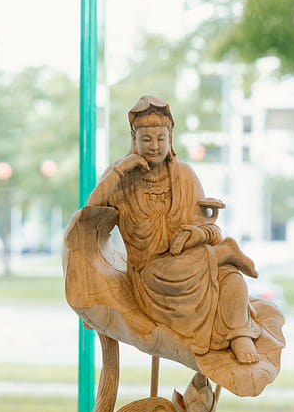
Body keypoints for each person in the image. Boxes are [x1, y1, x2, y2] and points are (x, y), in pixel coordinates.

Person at [86, 95, 262, 364]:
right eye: (146, 139)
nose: (154, 146)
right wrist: (120, 169)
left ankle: (239, 335)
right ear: (134, 140)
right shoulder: (121, 179)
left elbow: (211, 231)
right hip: (152, 274)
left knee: (231, 278)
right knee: (180, 269)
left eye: (160, 139)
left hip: (190, 258)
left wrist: (195, 234)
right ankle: (224, 254)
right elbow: (92, 209)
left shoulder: (185, 175)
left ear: (170, 139)